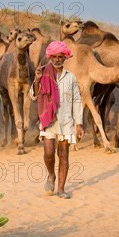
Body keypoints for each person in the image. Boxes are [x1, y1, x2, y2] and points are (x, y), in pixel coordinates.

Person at [30, 41, 84, 199]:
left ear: (65, 58)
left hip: (66, 122)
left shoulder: (71, 78)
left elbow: (77, 100)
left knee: (64, 154)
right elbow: (33, 96)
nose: (57, 59)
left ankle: (61, 189)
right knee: (48, 152)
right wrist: (37, 81)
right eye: (54, 56)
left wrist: (79, 123)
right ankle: (51, 175)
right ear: (50, 57)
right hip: (49, 121)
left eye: (60, 57)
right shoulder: (42, 74)